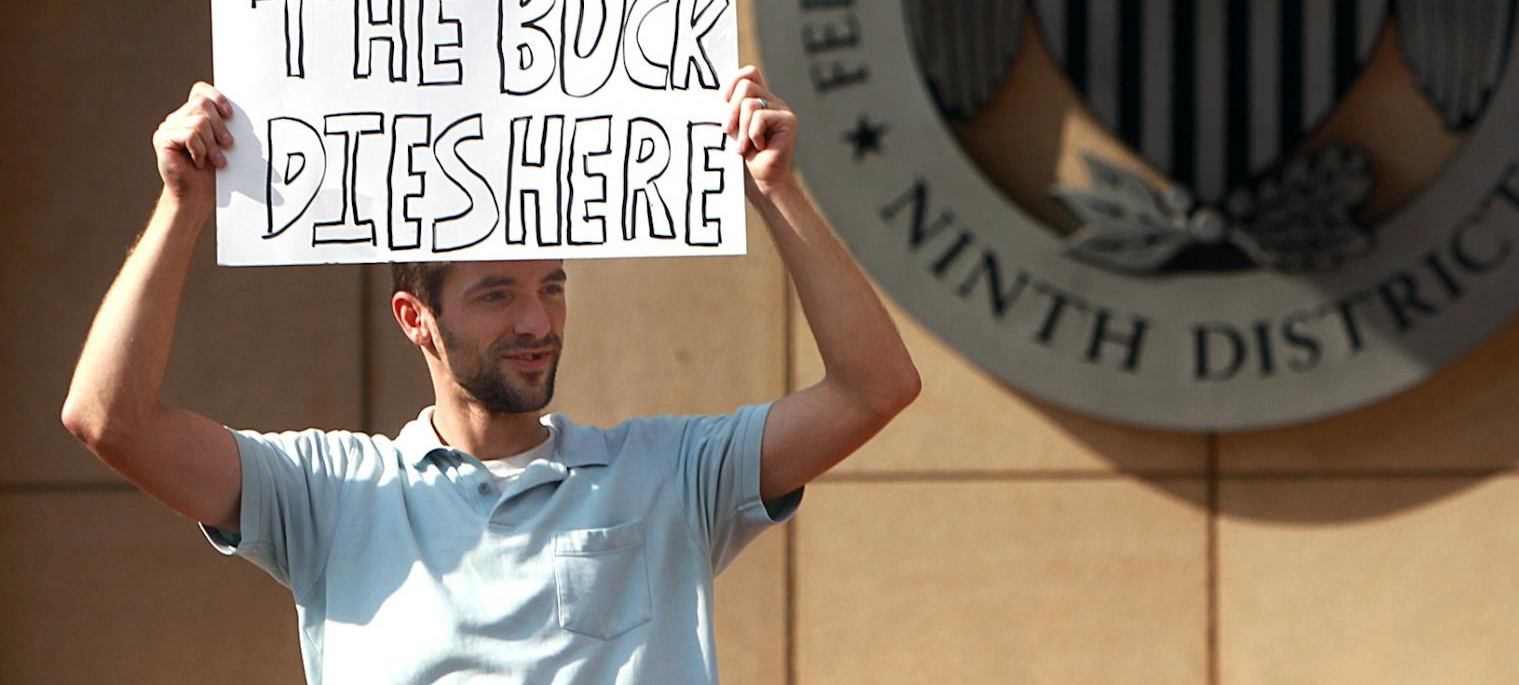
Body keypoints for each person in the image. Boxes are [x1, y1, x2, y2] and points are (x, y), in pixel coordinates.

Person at [61, 66, 920, 683]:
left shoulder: (672, 474)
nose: (538, 323)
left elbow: (874, 387)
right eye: (497, 294)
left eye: (552, 287)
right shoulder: (326, 493)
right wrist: (183, 208)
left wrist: (777, 189)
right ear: (416, 319)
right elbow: (111, 420)